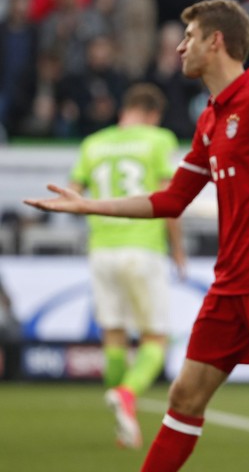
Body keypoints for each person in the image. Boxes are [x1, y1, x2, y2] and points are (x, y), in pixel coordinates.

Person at [25, 0, 249, 472]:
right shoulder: (211, 119)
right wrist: (88, 206)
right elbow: (171, 198)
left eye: (188, 37)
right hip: (229, 286)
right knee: (184, 397)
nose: (180, 47)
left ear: (216, 41)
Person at [68, 83, 185, 449]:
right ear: (152, 114)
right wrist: (177, 249)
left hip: (101, 249)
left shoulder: (94, 143)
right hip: (143, 248)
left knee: (114, 336)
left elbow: (73, 191)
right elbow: (169, 197)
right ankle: (128, 395)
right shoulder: (158, 139)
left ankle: (121, 421)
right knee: (156, 338)